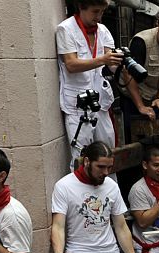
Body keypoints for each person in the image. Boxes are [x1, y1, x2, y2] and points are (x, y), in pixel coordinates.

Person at [56, 0, 122, 165]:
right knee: (82, 155)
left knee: (108, 152)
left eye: (101, 12)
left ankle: (108, 190)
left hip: (100, 101)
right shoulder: (66, 29)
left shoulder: (103, 30)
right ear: (81, 7)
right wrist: (103, 59)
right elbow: (71, 64)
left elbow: (110, 62)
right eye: (95, 11)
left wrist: (121, 62)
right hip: (77, 104)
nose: (98, 17)